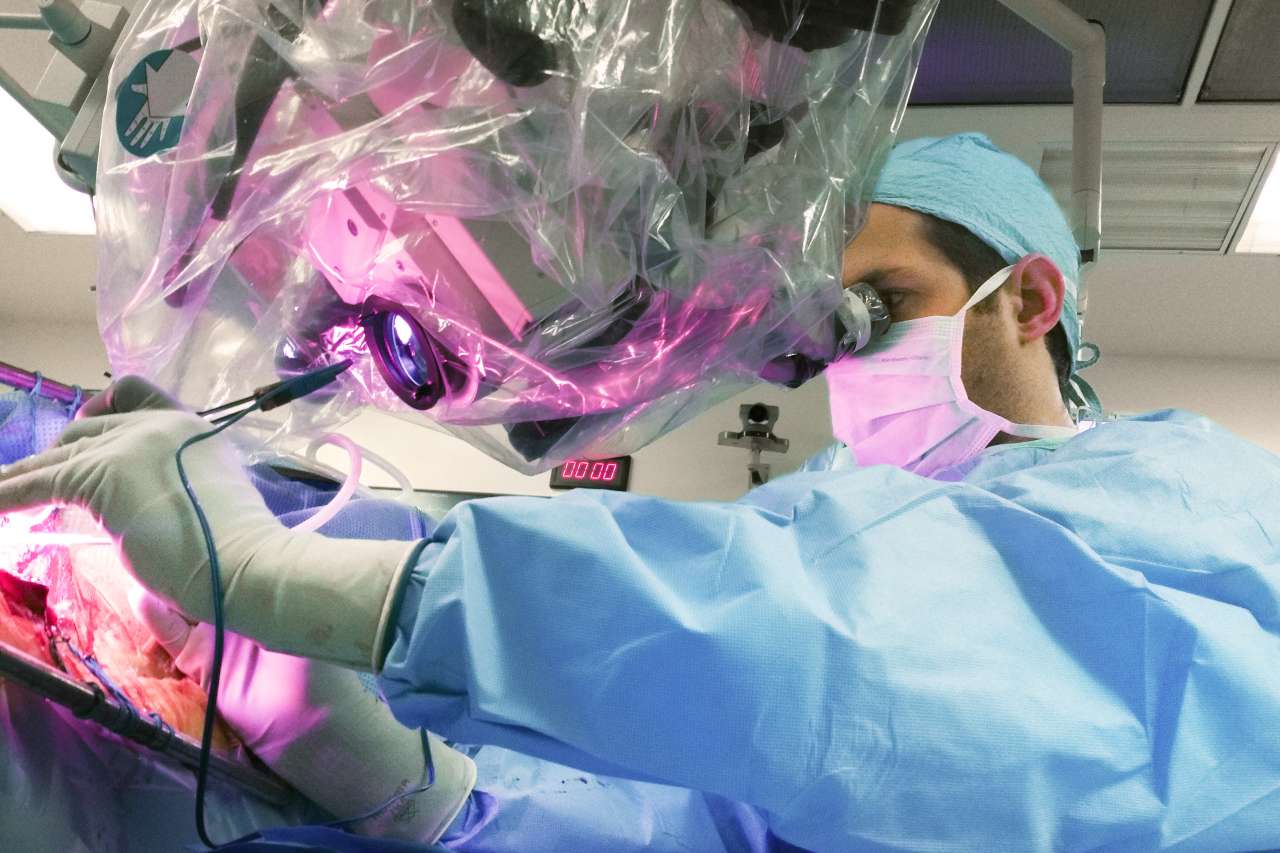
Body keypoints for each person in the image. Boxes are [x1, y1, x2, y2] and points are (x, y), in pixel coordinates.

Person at [3, 131, 1279, 851]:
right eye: (813, 338)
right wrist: (432, 798)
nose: (840, 366)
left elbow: (859, 666)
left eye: (872, 310)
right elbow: (700, 814)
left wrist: (299, 577)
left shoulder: (1185, 496)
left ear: (1029, 298)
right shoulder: (821, 522)